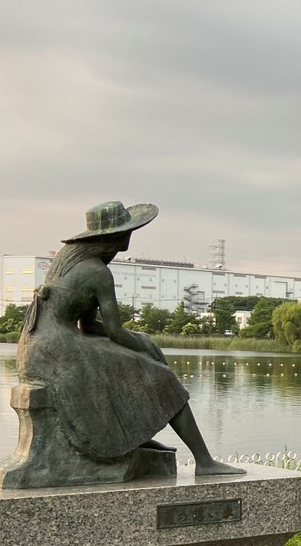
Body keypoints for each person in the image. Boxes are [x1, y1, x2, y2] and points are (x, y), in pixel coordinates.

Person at [19, 201, 244, 475]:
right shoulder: (97, 271)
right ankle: (205, 462)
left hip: (37, 347)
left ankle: (131, 436)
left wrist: (137, 338)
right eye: (128, 230)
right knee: (160, 378)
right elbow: (114, 330)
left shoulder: (68, 262)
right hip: (59, 348)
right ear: (116, 236)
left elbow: (89, 326)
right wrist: (146, 343)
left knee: (128, 366)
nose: (130, 236)